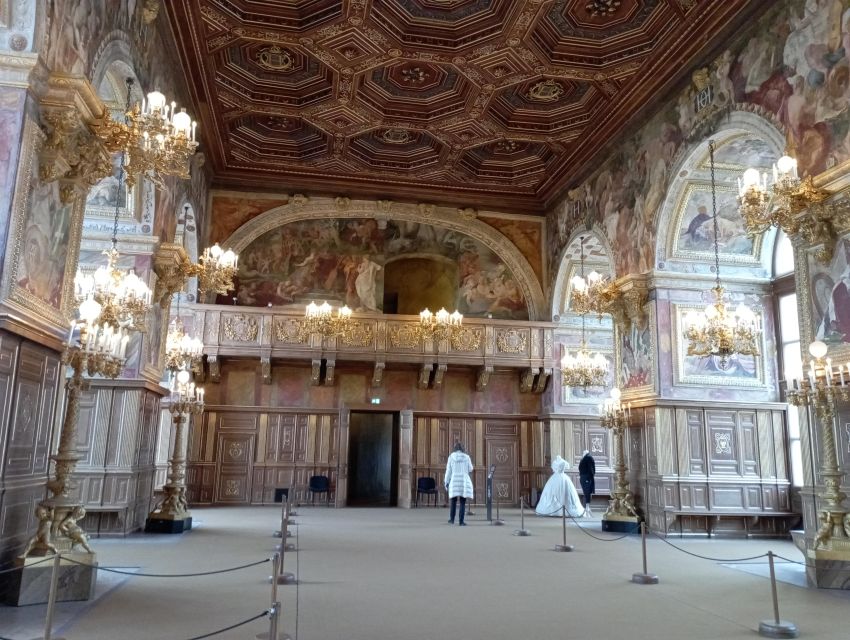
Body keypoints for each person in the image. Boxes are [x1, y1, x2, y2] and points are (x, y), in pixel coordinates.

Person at [445, 442, 473, 526]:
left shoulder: (451, 457)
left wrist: (446, 481)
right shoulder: (467, 457)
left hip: (454, 480)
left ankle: (452, 519)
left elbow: (448, 470)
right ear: (462, 449)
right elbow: (471, 469)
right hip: (464, 480)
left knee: (453, 501)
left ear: (455, 448)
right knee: (462, 502)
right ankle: (461, 521)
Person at [579, 450, 596, 516]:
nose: (583, 453)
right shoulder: (584, 458)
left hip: (586, 478)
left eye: (584, 452)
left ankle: (587, 507)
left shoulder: (588, 458)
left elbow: (591, 469)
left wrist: (588, 478)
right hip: (584, 477)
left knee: (587, 492)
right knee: (586, 492)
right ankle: (587, 507)